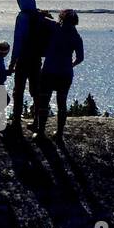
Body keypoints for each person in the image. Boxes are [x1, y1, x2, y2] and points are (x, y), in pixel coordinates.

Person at [35, 8, 84, 140]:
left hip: (49, 71)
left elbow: (41, 19)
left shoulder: (56, 27)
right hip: (65, 73)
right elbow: (80, 58)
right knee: (62, 103)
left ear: (62, 18)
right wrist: (70, 64)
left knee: (44, 100)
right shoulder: (77, 37)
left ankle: (40, 132)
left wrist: (41, 13)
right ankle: (59, 133)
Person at [6, 0, 52, 132]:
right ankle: (36, 121)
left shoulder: (22, 17)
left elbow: (18, 41)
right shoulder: (41, 15)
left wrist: (12, 63)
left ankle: (16, 121)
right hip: (37, 58)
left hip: (24, 59)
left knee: (18, 90)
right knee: (36, 91)